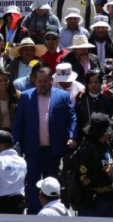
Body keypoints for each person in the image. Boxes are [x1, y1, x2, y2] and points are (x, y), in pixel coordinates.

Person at [10, 66, 78, 214]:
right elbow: (19, 123)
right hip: (32, 149)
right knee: (32, 184)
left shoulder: (62, 96)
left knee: (52, 183)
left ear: (51, 81)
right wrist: (15, 145)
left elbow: (72, 118)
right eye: (39, 81)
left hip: (53, 150)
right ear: (35, 81)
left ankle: (51, 214)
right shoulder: (26, 97)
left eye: (45, 82)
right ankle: (34, 213)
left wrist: (72, 136)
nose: (42, 84)